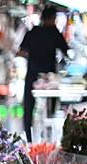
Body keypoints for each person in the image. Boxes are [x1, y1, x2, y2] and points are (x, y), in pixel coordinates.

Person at [18, 5, 68, 141]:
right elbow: (66, 51)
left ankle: (30, 139)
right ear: (52, 18)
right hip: (49, 78)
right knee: (50, 111)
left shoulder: (33, 32)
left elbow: (21, 52)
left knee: (28, 108)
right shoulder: (54, 33)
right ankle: (50, 137)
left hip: (33, 74)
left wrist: (33, 55)